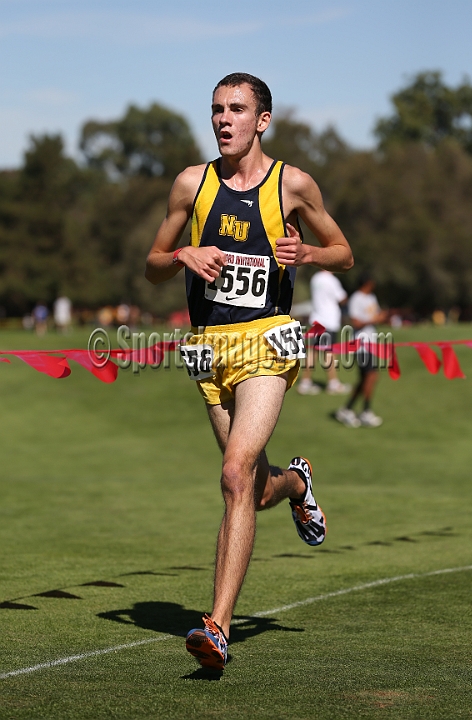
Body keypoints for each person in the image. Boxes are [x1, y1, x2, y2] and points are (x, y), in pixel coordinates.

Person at [145, 73, 353, 671]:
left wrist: (308, 254)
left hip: (268, 340)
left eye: (236, 109)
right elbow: (155, 265)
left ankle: (217, 626)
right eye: (216, 109)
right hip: (209, 346)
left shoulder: (293, 184)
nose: (223, 119)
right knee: (255, 488)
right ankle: (295, 483)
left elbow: (343, 250)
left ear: (263, 120)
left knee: (233, 476)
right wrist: (183, 253)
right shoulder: (192, 183)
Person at [335, 274, 388, 428]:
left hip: (372, 343)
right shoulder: (356, 299)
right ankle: (365, 411)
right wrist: (375, 319)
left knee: (366, 378)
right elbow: (356, 322)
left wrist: (382, 317)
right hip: (361, 344)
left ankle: (347, 409)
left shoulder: (372, 298)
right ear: (367, 282)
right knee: (371, 376)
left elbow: (376, 315)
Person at [297, 270, 351, 395]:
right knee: (330, 353)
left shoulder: (315, 278)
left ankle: (305, 382)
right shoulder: (332, 280)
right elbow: (342, 298)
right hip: (329, 320)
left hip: (317, 319)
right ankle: (333, 383)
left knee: (314, 351)